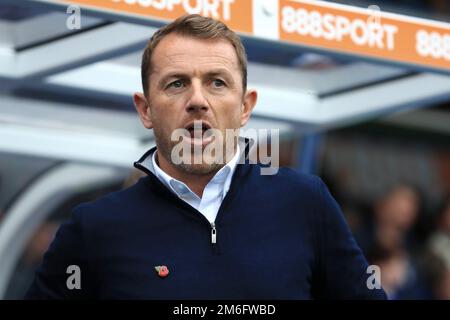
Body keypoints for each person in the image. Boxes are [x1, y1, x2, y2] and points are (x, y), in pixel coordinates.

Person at [25, 14, 385, 299]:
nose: (197, 100)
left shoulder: (305, 203)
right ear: (145, 109)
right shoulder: (93, 228)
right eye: (177, 83)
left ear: (245, 107)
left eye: (217, 82)